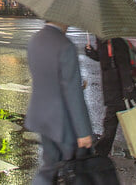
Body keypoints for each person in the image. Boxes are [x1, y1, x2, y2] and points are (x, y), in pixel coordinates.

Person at [26, 19, 92, 184]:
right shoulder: (65, 45)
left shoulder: (35, 39)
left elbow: (46, 76)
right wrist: (83, 132)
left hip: (41, 115)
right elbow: (72, 92)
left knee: (50, 165)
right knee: (70, 168)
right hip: (62, 121)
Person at [85, 36, 136, 157]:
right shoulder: (104, 40)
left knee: (114, 122)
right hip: (114, 87)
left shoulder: (115, 41)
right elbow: (105, 59)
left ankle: (100, 152)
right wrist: (91, 53)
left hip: (118, 88)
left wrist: (127, 89)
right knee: (119, 122)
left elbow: (123, 65)